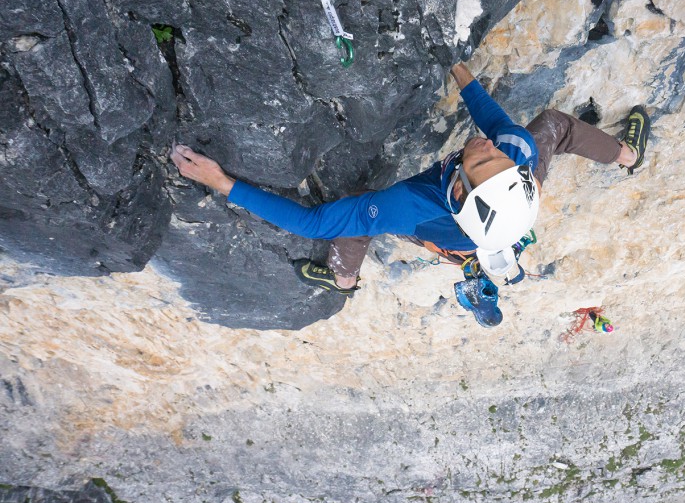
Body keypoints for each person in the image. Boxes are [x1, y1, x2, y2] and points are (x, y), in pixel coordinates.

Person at [171, 61, 650, 326]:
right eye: (498, 159)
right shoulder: (516, 154)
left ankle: (341, 284)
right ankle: (628, 156)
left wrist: (222, 182)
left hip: (451, 230)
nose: (486, 148)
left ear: (459, 190)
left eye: (480, 162)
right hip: (506, 212)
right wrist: (458, 69)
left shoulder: (413, 210)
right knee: (553, 127)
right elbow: (492, 122)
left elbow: (310, 222)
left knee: (356, 212)